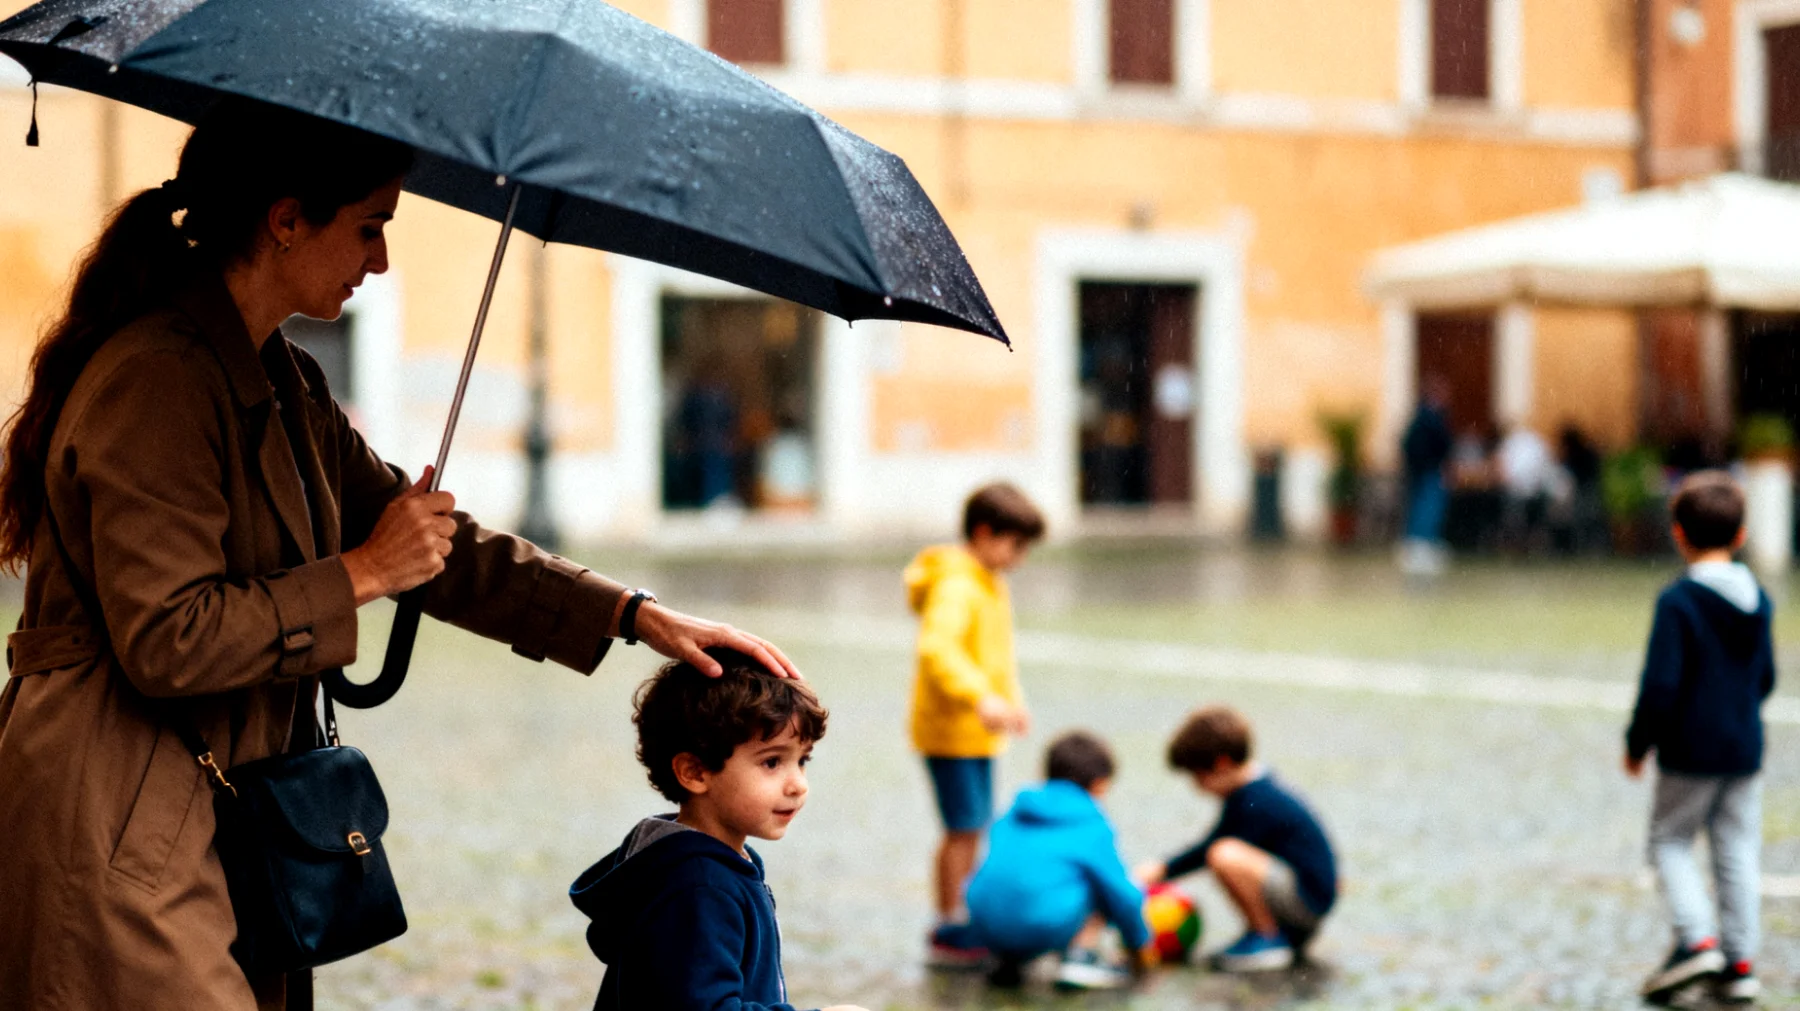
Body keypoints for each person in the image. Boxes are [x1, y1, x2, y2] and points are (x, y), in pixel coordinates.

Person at [0, 100, 797, 1011]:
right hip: (113, 809)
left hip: (222, 802)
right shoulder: (156, 379)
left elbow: (436, 548)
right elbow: (169, 637)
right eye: (369, 227)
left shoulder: (284, 379)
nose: (380, 260)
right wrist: (364, 572)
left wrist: (632, 614)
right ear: (286, 219)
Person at [570, 650, 867, 1011]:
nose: (798, 784)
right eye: (772, 762)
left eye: (802, 760)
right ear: (695, 772)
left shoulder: (713, 865)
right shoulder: (701, 886)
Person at [1624, 472, 1774, 1005]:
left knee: (1670, 841)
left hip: (1690, 749)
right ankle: (1739, 962)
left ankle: (1696, 940)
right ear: (1741, 535)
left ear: (1679, 533)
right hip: (1744, 748)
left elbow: (1660, 685)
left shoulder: (1679, 601)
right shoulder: (1759, 599)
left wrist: (1638, 743)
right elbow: (1765, 677)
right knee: (1737, 850)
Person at [905, 482, 1044, 964]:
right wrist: (980, 697)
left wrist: (1011, 701)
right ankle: (949, 925)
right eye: (1015, 545)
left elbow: (994, 655)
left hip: (975, 731)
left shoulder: (987, 578)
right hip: (951, 730)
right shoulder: (957, 584)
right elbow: (937, 650)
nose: (1019, 558)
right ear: (984, 532)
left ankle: (961, 914)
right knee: (962, 828)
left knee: (972, 825)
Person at [1138, 705, 1337, 972]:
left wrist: (1162, 870)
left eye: (1199, 776)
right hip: (1300, 896)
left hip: (1306, 901)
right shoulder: (1251, 791)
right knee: (1223, 851)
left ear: (1222, 763)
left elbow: (1210, 849)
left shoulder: (1259, 799)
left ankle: (1267, 937)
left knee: (1224, 855)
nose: (1197, 787)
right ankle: (1268, 934)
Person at [965, 731, 1154, 991]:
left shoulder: (1011, 814)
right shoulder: (1090, 823)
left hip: (985, 927)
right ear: (1099, 784)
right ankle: (1080, 957)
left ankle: (1007, 962)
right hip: (1041, 926)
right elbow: (1125, 898)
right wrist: (1140, 952)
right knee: (1101, 884)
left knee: (1033, 876)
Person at [1399, 376, 1454, 574]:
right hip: (1429, 470)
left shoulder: (1423, 417)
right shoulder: (1429, 418)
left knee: (1423, 507)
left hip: (1424, 470)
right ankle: (1420, 546)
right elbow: (1437, 445)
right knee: (1427, 508)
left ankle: (1420, 545)